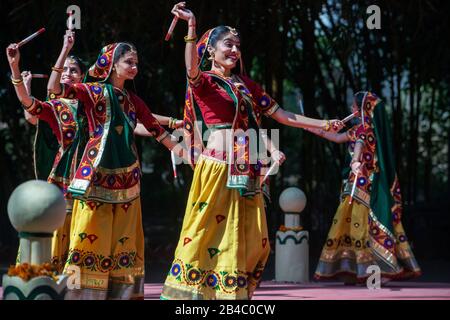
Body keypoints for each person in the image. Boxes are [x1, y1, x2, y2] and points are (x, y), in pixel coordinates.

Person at [161, 2, 344, 300]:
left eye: (237, 45)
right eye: (228, 44)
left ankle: (230, 291)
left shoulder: (246, 84)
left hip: (247, 168)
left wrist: (324, 123)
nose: (234, 50)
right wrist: (191, 28)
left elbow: (282, 115)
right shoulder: (204, 81)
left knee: (252, 237)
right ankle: (189, 294)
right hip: (218, 167)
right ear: (210, 50)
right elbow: (190, 67)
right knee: (207, 230)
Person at [8, 35, 182, 299]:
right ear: (111, 65)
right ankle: (56, 288)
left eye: (73, 70)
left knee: (119, 241)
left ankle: (115, 292)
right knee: (74, 239)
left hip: (125, 180)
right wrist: (18, 71)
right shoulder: (76, 100)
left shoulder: (127, 99)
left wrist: (188, 149)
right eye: (129, 61)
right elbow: (33, 107)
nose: (135, 67)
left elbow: (150, 128)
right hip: (80, 181)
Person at [308, 91, 421, 283]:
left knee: (359, 227)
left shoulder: (364, 129)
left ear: (363, 110)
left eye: (354, 106)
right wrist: (312, 128)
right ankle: (360, 272)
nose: (351, 109)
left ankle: (368, 272)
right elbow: (337, 138)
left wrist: (354, 162)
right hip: (360, 183)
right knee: (358, 226)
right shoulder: (363, 129)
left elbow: (359, 145)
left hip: (362, 184)